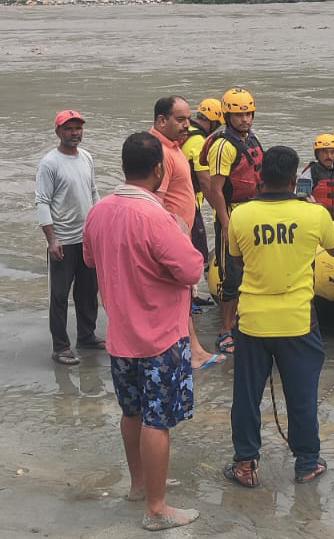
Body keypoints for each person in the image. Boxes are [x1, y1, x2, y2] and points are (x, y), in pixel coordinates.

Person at [83, 132, 202, 531]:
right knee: (158, 421)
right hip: (160, 339)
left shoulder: (99, 211)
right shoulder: (156, 217)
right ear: (158, 170)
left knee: (131, 413)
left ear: (123, 166)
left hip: (120, 335)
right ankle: (157, 507)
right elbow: (191, 269)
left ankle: (138, 486)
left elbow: (88, 256)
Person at [223, 146, 334, 488]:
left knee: (246, 396)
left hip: (252, 321)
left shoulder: (241, 216)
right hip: (297, 320)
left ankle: (245, 464)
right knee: (302, 395)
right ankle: (306, 462)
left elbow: (237, 257)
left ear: (261, 177)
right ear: (295, 180)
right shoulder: (315, 215)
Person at [149, 96, 223, 370]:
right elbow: (157, 199)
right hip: (171, 237)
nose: (186, 124)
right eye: (180, 119)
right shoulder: (160, 152)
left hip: (181, 233)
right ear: (161, 120)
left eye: (188, 118)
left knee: (183, 295)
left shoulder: (174, 146)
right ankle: (192, 351)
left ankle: (192, 348)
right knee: (179, 295)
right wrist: (172, 235)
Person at [35, 109, 103, 365]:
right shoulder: (49, 163)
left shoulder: (86, 157)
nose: (75, 133)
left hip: (86, 239)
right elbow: (42, 202)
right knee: (60, 296)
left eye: (78, 128)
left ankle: (87, 336)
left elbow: (94, 192)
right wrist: (52, 239)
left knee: (88, 292)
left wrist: (98, 227)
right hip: (62, 241)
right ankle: (60, 347)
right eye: (69, 129)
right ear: (58, 132)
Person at [201, 88, 264, 355]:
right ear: (228, 116)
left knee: (254, 271)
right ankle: (226, 330)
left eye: (248, 114)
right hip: (233, 214)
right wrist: (226, 223)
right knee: (232, 276)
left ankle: (246, 321)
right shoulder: (223, 145)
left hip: (254, 211)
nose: (245, 119)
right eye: (239, 115)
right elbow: (215, 189)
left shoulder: (250, 139)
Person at [181, 97, 224, 266]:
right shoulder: (199, 141)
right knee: (199, 252)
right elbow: (205, 182)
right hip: (189, 202)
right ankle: (195, 288)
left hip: (175, 198)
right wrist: (221, 212)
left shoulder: (184, 130)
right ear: (213, 123)